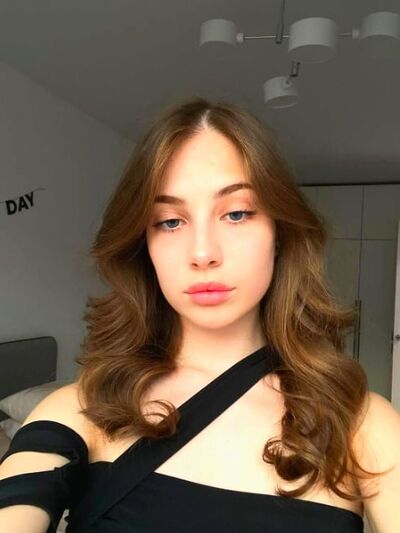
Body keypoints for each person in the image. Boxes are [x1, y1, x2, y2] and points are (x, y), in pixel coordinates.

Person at [0, 97, 399, 533]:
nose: (203, 252)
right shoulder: (82, 410)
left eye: (237, 213)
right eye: (170, 221)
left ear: (280, 234)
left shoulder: (360, 425)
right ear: (144, 246)